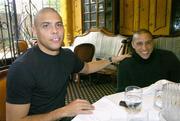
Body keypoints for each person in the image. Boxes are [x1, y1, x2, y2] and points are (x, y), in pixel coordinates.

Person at [6, 7, 130, 121]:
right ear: (34, 31)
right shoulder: (21, 68)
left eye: (58, 24)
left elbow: (87, 67)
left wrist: (112, 59)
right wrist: (63, 111)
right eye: (46, 25)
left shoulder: (67, 55)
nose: (55, 31)